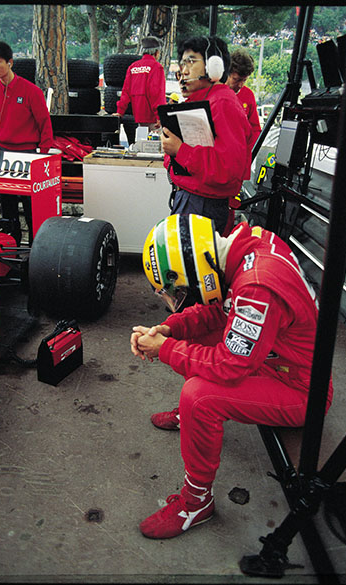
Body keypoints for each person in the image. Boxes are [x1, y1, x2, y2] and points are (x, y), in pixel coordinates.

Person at [130, 214, 333, 539]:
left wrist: (164, 349)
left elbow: (228, 365)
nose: (181, 295)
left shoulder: (258, 286)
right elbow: (220, 309)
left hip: (301, 390)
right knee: (195, 340)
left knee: (199, 397)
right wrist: (172, 328)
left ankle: (196, 503)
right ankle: (189, 419)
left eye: (181, 287)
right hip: (280, 358)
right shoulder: (247, 244)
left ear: (198, 271)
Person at [161, 36, 253, 237]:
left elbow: (227, 170)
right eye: (183, 63)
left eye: (191, 62)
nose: (183, 71)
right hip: (192, 201)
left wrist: (180, 150)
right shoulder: (204, 101)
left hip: (202, 206)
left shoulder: (222, 104)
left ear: (214, 67)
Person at [0, 40, 53, 246]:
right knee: (7, 207)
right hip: (2, 156)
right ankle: (10, 249)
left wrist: (43, 153)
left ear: (10, 62)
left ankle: (35, 249)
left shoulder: (31, 91)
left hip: (29, 155)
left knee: (31, 206)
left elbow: (44, 124)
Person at [114, 36, 166, 131]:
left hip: (138, 117)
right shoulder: (156, 67)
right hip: (153, 119)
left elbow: (125, 92)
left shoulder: (133, 67)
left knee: (140, 143)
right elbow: (156, 93)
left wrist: (120, 112)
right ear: (157, 52)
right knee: (153, 144)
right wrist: (160, 115)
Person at [226, 48, 261, 146]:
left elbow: (255, 129)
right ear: (227, 74)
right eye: (236, 80)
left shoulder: (248, 95)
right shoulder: (216, 93)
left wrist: (248, 152)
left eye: (244, 80)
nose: (240, 85)